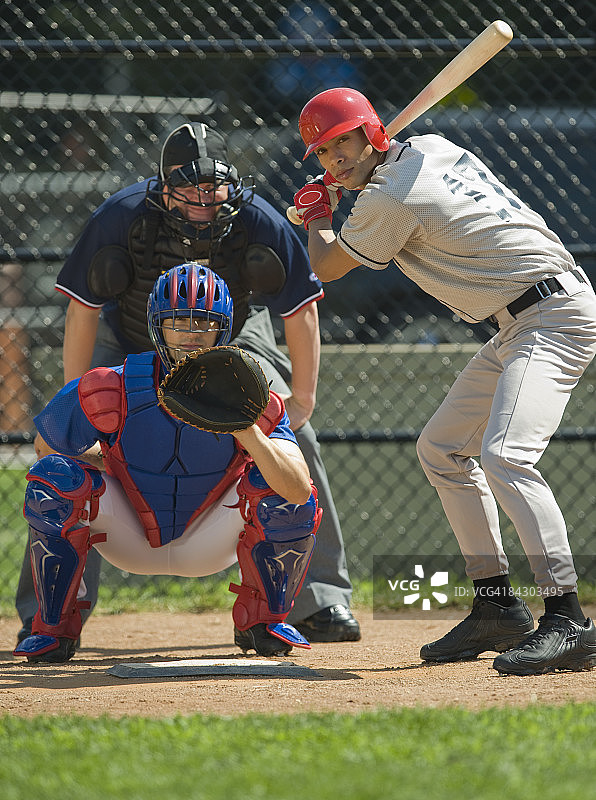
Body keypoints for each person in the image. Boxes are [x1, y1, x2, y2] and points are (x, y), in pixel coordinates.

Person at [15, 120, 360, 645]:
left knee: (295, 444)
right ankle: (48, 614)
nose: (204, 195)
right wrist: (81, 406)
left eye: (214, 184)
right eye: (190, 184)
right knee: (59, 471)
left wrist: (303, 399)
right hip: (130, 333)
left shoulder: (256, 218)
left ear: (231, 181)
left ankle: (321, 599)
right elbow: (84, 308)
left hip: (233, 335)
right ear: (163, 182)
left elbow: (299, 308)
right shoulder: (122, 215)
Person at [291, 87, 596, 676]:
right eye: (325, 154)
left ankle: (567, 618)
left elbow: (323, 268)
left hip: (551, 316)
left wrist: (318, 216)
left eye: (345, 144)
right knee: (441, 450)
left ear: (372, 133)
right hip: (516, 320)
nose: (335, 162)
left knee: (506, 457)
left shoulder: (391, 197)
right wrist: (351, 184)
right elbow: (382, 191)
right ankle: (496, 604)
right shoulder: (430, 146)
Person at [13, 263, 321, 664]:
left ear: (223, 328)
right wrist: (108, 458)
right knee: (53, 479)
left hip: (210, 541)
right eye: (178, 322)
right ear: (158, 325)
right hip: (128, 535)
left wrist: (247, 430)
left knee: (277, 488)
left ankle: (261, 619)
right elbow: (44, 448)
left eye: (203, 323)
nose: (191, 336)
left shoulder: (254, 398)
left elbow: (298, 490)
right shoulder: (112, 386)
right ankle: (54, 628)